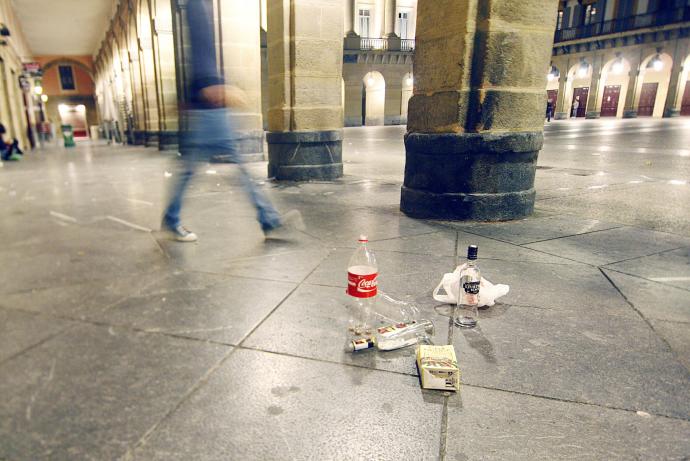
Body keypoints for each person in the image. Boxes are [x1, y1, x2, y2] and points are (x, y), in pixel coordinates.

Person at [161, 0, 302, 242]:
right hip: (210, 108)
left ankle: (171, 219)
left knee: (196, 171)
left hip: (210, 108)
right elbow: (200, 47)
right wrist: (210, 86)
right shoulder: (197, 6)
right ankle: (268, 220)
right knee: (232, 170)